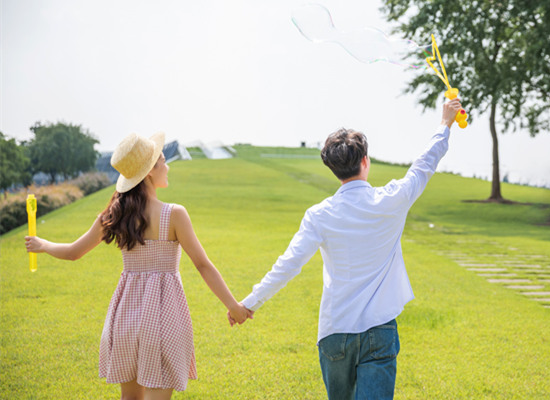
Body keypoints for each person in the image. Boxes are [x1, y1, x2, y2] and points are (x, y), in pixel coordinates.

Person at [240, 98, 463, 399]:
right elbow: (424, 165)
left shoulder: (319, 215)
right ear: (365, 161)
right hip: (379, 330)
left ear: (333, 169)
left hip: (336, 332)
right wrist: (445, 124)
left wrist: (250, 303)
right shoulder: (391, 199)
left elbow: (289, 263)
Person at [25, 132, 251, 400]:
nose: (167, 167)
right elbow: (202, 265)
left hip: (125, 318)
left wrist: (42, 244)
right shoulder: (174, 214)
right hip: (165, 318)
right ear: (148, 174)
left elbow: (74, 252)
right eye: (163, 162)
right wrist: (234, 306)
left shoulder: (115, 214)